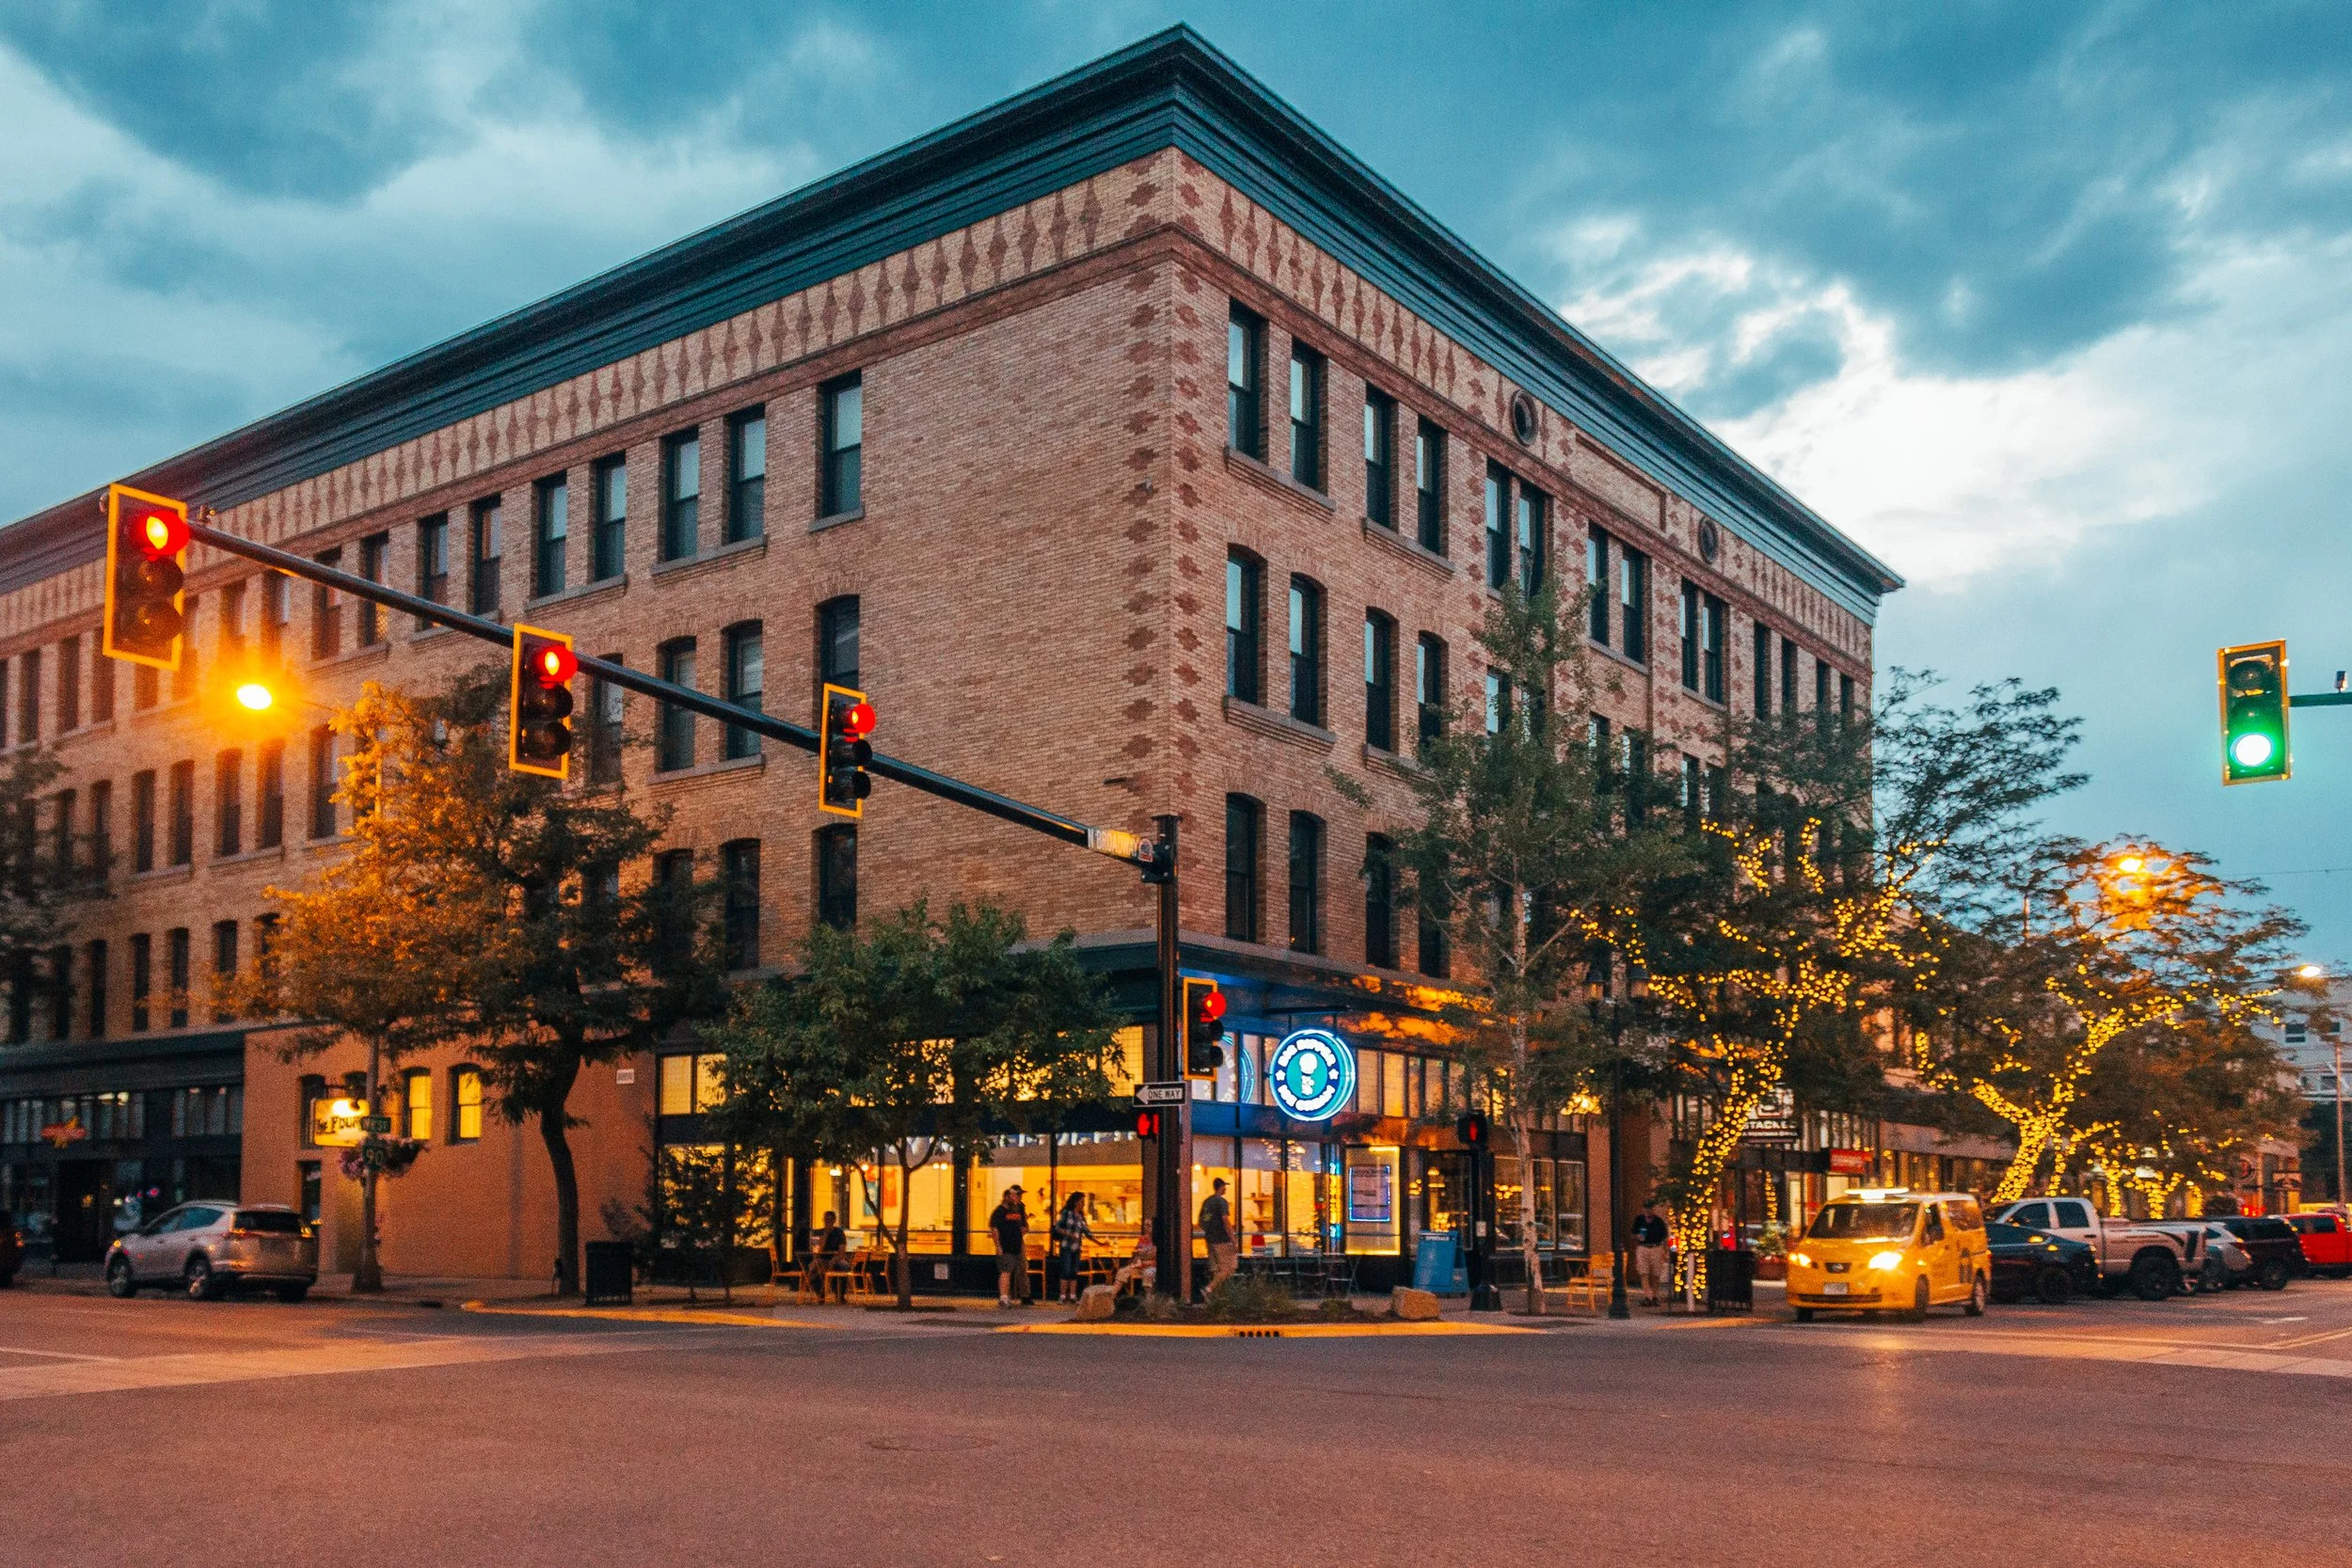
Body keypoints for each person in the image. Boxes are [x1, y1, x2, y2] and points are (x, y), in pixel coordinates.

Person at [1052, 1192, 1096, 1304]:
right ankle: (1062, 1296)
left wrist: (1100, 1243)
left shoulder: (1081, 1217)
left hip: (1077, 1248)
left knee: (1074, 1271)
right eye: (1082, 1202)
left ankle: (1072, 1296)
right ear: (1076, 1202)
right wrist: (1069, 1234)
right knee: (1065, 1271)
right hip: (1066, 1246)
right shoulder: (1066, 1213)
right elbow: (1057, 1227)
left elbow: (1087, 1232)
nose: (1083, 1204)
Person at [1199, 1177, 1238, 1298]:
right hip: (1222, 1240)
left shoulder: (1207, 1202)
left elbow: (1201, 1221)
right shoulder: (1221, 1201)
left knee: (1218, 1269)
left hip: (1210, 1240)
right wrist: (1233, 1239)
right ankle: (1209, 1289)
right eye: (1224, 1186)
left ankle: (1216, 1298)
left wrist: (1210, 1232)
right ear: (1221, 1187)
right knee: (1230, 1267)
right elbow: (1225, 1220)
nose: (1225, 1188)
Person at [992, 1185, 1031, 1307]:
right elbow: (994, 1229)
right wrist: (998, 1246)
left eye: (1017, 1195)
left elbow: (1024, 1226)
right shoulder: (999, 1211)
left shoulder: (1018, 1209)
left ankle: (1023, 1295)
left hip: (1017, 1244)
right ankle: (1004, 1297)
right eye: (1013, 1196)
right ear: (1006, 1197)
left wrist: (1023, 1229)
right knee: (1006, 1271)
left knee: (1021, 1268)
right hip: (1006, 1244)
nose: (1016, 1198)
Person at [1632, 1203, 1672, 1307]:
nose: (1648, 1211)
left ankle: (1654, 1295)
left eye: (1650, 1209)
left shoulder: (1658, 1221)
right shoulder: (1639, 1220)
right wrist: (1638, 1236)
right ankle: (1648, 1296)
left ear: (1653, 1210)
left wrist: (1666, 1250)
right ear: (1643, 1209)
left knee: (1656, 1273)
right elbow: (1633, 1233)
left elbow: (1664, 1236)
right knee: (1643, 1272)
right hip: (1643, 1247)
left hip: (1656, 1247)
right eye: (1646, 1209)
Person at [805, 1210, 850, 1304]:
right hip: (822, 1258)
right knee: (814, 1267)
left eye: (830, 1220)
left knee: (844, 1266)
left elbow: (842, 1250)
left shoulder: (839, 1233)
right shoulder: (818, 1233)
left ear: (834, 1221)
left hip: (836, 1258)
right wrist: (825, 1235)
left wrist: (836, 1258)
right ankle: (820, 1294)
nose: (828, 1222)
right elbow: (816, 1251)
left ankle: (840, 1295)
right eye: (826, 1220)